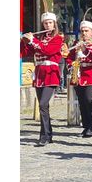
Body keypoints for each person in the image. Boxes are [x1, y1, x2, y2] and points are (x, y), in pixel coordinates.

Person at [21, 9, 64, 146]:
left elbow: (48, 51)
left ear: (54, 23)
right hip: (39, 74)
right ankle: (48, 134)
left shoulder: (58, 38)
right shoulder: (39, 38)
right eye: (45, 23)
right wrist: (24, 41)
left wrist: (33, 41)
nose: (47, 25)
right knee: (43, 107)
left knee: (43, 104)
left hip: (51, 73)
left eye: (50, 22)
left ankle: (45, 135)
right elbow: (25, 52)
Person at [66, 20, 92, 138]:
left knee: (89, 99)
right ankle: (86, 126)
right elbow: (69, 58)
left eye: (86, 31)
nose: (84, 33)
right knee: (82, 101)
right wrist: (71, 65)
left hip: (91, 74)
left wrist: (91, 47)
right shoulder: (77, 43)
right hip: (79, 75)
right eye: (82, 31)